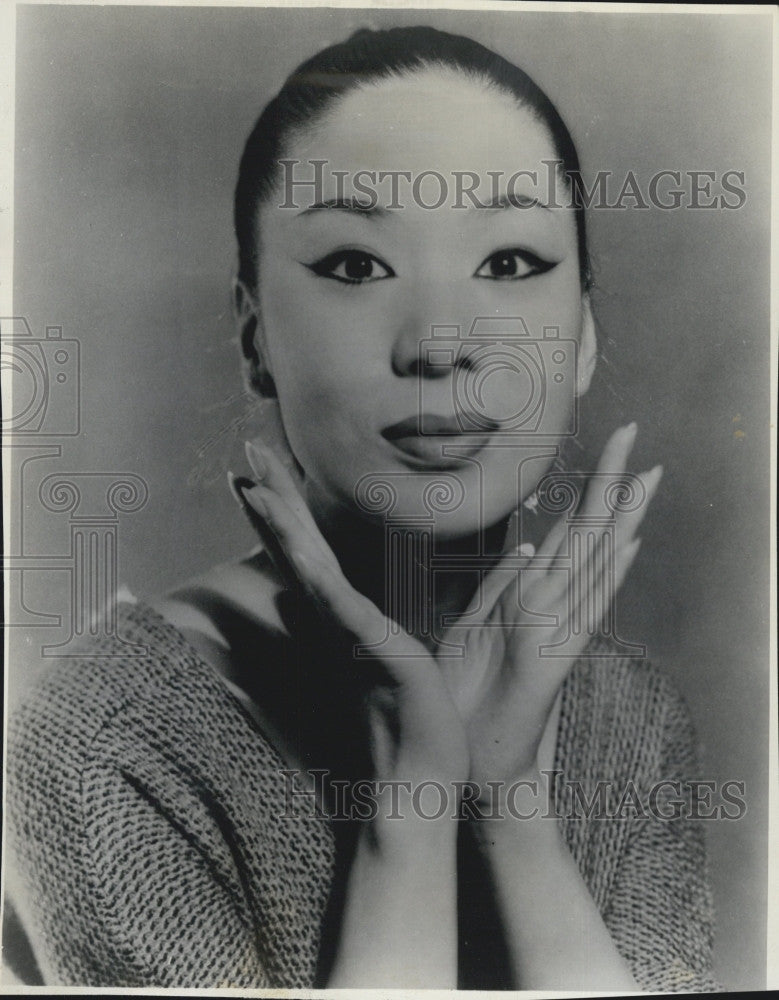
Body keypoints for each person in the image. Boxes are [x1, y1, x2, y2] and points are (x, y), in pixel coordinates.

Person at [5, 25, 718, 991]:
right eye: (354, 265)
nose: (438, 345)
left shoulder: (632, 718)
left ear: (583, 336)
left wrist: (510, 805)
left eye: (508, 263)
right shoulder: (103, 738)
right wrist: (412, 797)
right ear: (254, 336)